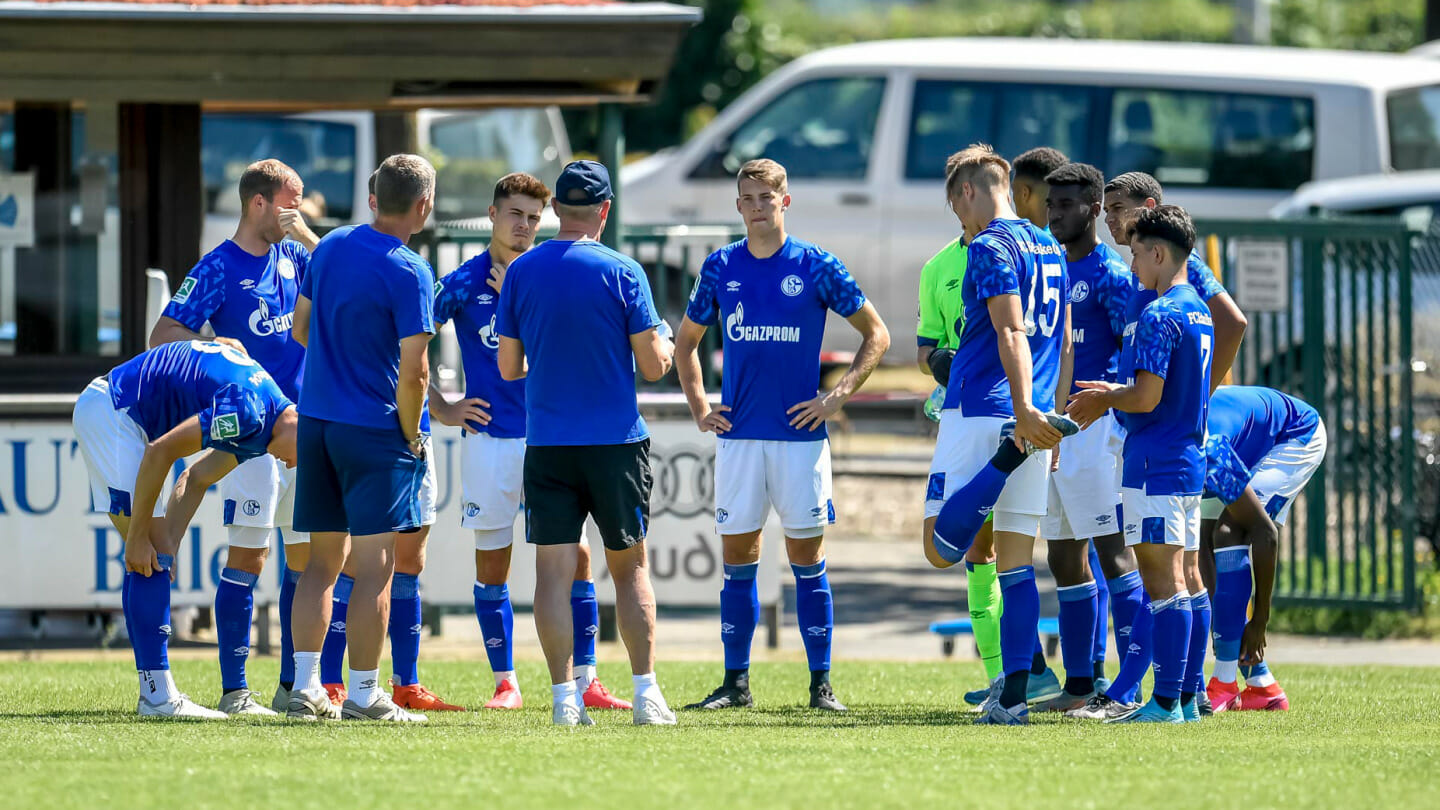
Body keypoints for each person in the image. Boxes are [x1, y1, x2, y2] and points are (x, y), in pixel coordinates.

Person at [675, 159, 890, 712]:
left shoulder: (815, 265)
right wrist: (701, 406)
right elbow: (685, 343)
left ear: (785, 200)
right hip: (741, 438)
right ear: (738, 206)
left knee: (807, 561)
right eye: (747, 198)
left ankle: (821, 685)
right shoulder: (721, 266)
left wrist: (835, 397)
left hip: (800, 438)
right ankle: (735, 684)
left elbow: (877, 335)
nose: (757, 206)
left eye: (766, 197)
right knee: (738, 560)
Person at [432, 171, 630, 711]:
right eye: (515, 214)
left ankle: (586, 680)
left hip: (551, 438)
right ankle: (506, 683)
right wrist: (441, 405)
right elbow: (403, 340)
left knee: (580, 560)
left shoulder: (547, 275)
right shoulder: (461, 283)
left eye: (533, 217)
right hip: (491, 440)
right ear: (492, 215)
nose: (524, 225)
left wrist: (517, 293)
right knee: (492, 562)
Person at [496, 160, 677, 727]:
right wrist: (665, 343)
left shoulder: (523, 272)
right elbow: (652, 366)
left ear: (555, 211)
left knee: (550, 573)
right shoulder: (624, 271)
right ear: (604, 211)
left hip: (548, 440)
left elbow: (507, 367)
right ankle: (645, 694)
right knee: (630, 570)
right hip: (614, 443)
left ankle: (562, 700)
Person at [1068, 170, 1249, 721]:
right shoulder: (1197, 307)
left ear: (1158, 255)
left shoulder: (1159, 313)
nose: (1130, 265)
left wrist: (1106, 397)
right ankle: (1188, 697)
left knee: (1163, 584)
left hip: (1154, 463)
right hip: (1185, 462)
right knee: (1189, 579)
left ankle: (1166, 700)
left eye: (1137, 257)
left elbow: (1146, 397)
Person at [149, 158, 318, 717]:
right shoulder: (218, 267)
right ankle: (235, 690)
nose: (298, 211)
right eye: (290, 201)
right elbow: (164, 335)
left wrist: (310, 237)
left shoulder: (296, 254)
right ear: (259, 203)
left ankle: (295, 689)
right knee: (250, 554)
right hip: (248, 428)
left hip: (302, 427)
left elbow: (343, 278)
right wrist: (220, 350)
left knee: (306, 556)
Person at [920, 144, 1071, 725]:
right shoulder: (1050, 246)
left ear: (967, 193)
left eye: (957, 208)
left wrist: (1020, 416)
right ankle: (1012, 699)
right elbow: (1065, 344)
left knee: (939, 546)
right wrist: (1049, 419)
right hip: (1036, 417)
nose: (961, 222)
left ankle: (1006, 457)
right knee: (1016, 564)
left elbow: (1010, 329)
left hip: (985, 410)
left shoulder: (990, 244)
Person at [286, 154, 438, 723]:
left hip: (318, 423)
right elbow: (416, 372)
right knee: (377, 567)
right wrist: (409, 436)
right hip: (375, 431)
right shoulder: (410, 270)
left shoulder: (329, 247)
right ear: (423, 206)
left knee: (322, 565)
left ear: (375, 197)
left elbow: (300, 328)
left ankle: (304, 687)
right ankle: (365, 693)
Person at [72, 339, 299, 719]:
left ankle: (155, 693)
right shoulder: (251, 413)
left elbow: (195, 479)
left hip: (111, 411)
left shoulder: (263, 423)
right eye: (305, 456)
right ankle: (157, 698)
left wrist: (169, 544)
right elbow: (161, 451)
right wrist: (140, 535)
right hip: (114, 413)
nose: (292, 466)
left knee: (155, 555)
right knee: (146, 555)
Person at [1032, 162, 1143, 712]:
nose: (1055, 215)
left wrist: (1111, 408)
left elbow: (1134, 356)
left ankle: (1128, 690)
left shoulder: (1113, 277)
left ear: (1096, 209)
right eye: (1051, 205)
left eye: (1067, 205)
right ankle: (1082, 686)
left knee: (1114, 554)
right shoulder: (1046, 270)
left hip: (1095, 436)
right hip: (1049, 431)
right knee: (1062, 557)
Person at [1200, 385, 1326, 713]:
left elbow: (1265, 532)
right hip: (1246, 444)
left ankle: (1224, 684)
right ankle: (1261, 683)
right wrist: (1224, 627)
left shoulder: (1208, 447)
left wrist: (1259, 620)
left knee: (1232, 529)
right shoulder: (1164, 439)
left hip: (1295, 436)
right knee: (1205, 540)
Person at [1010, 147, 1068, 229]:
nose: (1009, 199)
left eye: (1013, 191)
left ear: (1024, 194)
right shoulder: (1073, 237)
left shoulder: (1008, 238)